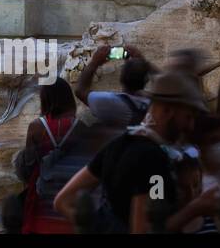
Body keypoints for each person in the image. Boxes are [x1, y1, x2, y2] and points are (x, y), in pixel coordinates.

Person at [54, 72, 206, 233]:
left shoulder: (117, 145)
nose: (190, 126)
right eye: (188, 117)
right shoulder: (155, 159)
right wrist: (195, 209)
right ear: (167, 111)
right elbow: (147, 228)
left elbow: (63, 201)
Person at [16, 78, 82, 234]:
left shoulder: (36, 127)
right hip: (71, 188)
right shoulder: (80, 127)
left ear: (45, 98)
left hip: (41, 191)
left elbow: (28, 164)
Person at [73, 44, 152, 128]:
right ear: (146, 80)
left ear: (121, 78)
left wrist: (95, 62)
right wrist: (141, 61)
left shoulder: (111, 102)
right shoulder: (151, 102)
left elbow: (80, 91)